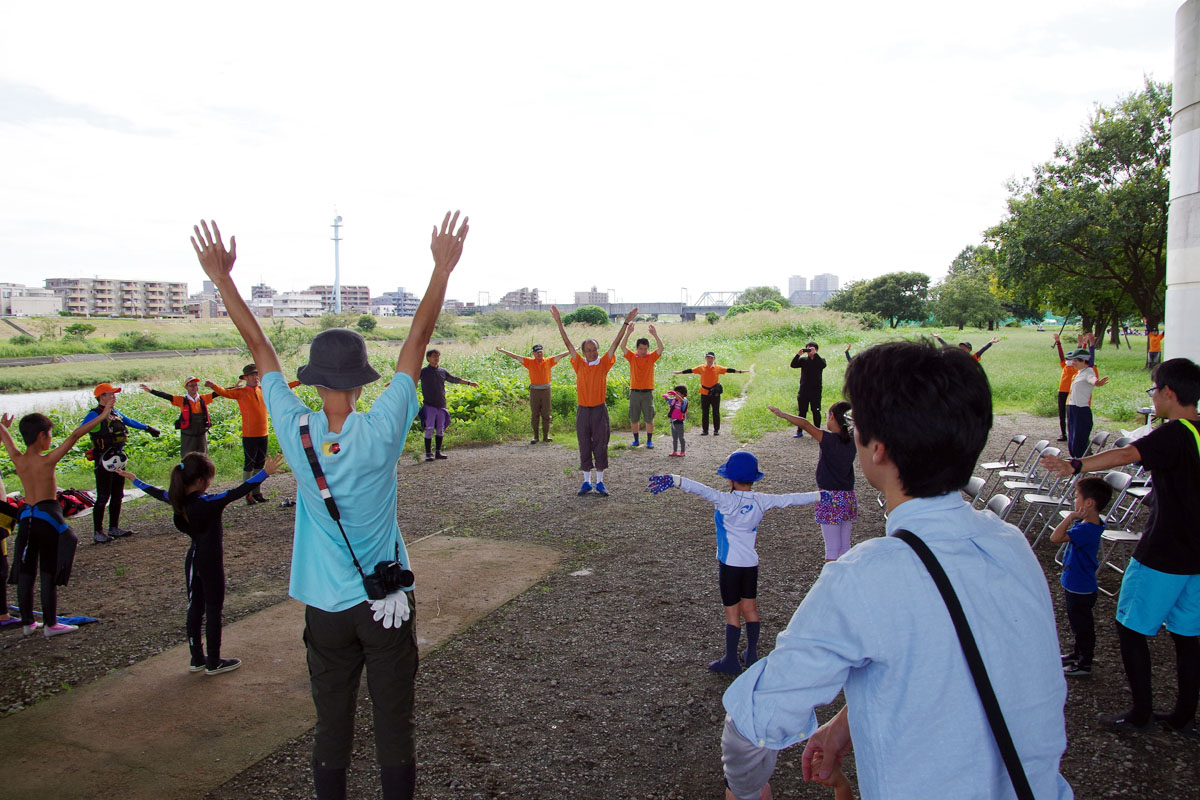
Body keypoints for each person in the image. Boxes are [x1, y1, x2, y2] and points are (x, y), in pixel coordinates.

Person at [191, 210, 468, 800]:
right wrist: (441, 268)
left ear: (313, 382)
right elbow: (415, 344)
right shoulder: (384, 428)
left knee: (331, 722)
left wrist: (223, 281)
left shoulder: (295, 430)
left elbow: (259, 347)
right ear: (363, 383)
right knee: (395, 721)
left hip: (325, 608)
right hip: (386, 601)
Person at [721, 340, 1070, 800]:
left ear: (878, 449)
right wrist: (848, 722)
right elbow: (965, 655)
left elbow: (749, 729)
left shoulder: (866, 575)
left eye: (856, 424)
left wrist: (746, 790)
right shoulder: (1008, 544)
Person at [1043, 357, 1200, 736]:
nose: (1154, 397)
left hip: (1162, 553)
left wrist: (1076, 465)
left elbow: (1127, 455)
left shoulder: (1174, 432)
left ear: (1169, 393)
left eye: (1155, 390)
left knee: (1130, 628)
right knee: (1188, 637)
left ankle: (1140, 713)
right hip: (1196, 556)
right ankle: (1183, 716)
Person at [649, 451, 820, 674]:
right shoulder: (762, 501)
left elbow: (699, 488)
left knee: (732, 613)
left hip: (729, 566)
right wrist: (822, 495)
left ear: (730, 479)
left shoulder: (725, 500)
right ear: (754, 478)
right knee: (750, 608)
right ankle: (751, 653)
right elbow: (792, 498)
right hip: (750, 565)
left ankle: (730, 660)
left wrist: (674, 479)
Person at [118, 452, 284, 675]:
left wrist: (135, 479)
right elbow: (238, 492)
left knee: (195, 608)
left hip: (193, 559)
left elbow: (155, 492)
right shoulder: (208, 502)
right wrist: (265, 472)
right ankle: (214, 661)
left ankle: (197, 658)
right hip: (210, 562)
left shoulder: (176, 498)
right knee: (214, 609)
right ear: (201, 481)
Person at [0, 404, 114, 637]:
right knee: (48, 571)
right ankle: (51, 624)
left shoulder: (19, 460)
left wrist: (3, 426)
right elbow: (75, 434)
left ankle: (28, 623)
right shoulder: (47, 460)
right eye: (49, 434)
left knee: (26, 572)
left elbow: (6, 439)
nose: (50, 439)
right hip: (47, 518)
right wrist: (103, 415)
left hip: (27, 518)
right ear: (42, 436)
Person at [550, 304, 638, 497]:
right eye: (588, 350)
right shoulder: (579, 364)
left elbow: (615, 343)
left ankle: (600, 483)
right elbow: (568, 344)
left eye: (594, 349)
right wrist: (558, 321)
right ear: (583, 352)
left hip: (599, 410)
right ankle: (586, 482)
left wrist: (625, 322)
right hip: (583, 410)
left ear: (598, 350)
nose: (591, 352)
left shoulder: (604, 363)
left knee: (600, 444)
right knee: (584, 444)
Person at [767, 402, 858, 561]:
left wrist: (783, 414)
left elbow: (805, 424)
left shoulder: (828, 439)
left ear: (831, 417)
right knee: (845, 546)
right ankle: (847, 581)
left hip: (829, 498)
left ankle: (831, 583)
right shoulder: (853, 438)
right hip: (848, 498)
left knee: (831, 549)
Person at [205, 365, 301, 504]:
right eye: (252, 375)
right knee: (249, 465)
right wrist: (213, 386)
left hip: (263, 433)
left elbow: (283, 388)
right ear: (245, 378)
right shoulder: (241, 392)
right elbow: (225, 392)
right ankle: (247, 494)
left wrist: (299, 382)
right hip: (249, 435)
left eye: (257, 375)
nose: (255, 377)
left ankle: (257, 492)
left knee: (259, 465)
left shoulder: (264, 390)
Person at [1049, 476, 1111, 679]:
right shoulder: (1091, 524)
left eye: (1077, 497)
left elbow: (1055, 537)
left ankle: (1085, 662)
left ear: (1089, 503)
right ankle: (1078, 654)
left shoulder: (1086, 529)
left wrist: (1069, 518)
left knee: (1083, 627)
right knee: (1078, 625)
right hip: (1078, 584)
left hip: (1080, 587)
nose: (1074, 500)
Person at [83, 383, 161, 544]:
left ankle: (114, 528)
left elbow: (129, 421)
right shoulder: (93, 415)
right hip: (102, 460)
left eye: (114, 394)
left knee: (118, 494)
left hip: (117, 458)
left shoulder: (115, 413)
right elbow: (81, 430)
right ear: (101, 397)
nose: (114, 396)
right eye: (110, 394)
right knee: (103, 496)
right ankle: (98, 532)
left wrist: (148, 428)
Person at [495, 344, 568, 444]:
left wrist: (573, 350)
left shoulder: (549, 361)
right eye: (537, 352)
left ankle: (546, 436)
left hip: (546, 390)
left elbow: (561, 355)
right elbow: (515, 356)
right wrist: (503, 351)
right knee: (535, 414)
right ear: (533, 354)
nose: (539, 354)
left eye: (541, 352)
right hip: (534, 390)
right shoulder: (529, 362)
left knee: (546, 414)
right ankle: (536, 437)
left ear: (543, 352)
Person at [418, 350, 479, 462]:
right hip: (429, 405)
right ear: (428, 358)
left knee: (440, 430)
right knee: (429, 429)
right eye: (434, 356)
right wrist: (395, 383)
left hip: (441, 405)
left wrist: (470, 383)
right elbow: (410, 379)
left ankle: (438, 452)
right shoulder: (423, 372)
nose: (436, 358)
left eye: (438, 356)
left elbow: (454, 379)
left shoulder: (442, 371)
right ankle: (428, 453)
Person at [141, 377, 219, 457]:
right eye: (191, 385)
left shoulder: (203, 398)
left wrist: (232, 389)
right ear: (186, 387)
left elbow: (219, 393)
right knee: (187, 455)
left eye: (195, 385)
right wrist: (151, 391)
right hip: (188, 433)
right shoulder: (181, 400)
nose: (194, 387)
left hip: (201, 432)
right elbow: (166, 396)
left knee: (203, 454)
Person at [673, 352, 746, 436]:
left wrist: (740, 371)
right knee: (705, 412)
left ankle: (716, 430)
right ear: (705, 359)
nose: (709, 359)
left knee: (716, 411)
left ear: (714, 359)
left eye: (711, 358)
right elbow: (691, 370)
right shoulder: (701, 368)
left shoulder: (717, 368)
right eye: (708, 358)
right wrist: (680, 372)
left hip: (715, 393)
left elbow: (728, 370)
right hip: (704, 392)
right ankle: (705, 430)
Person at [621, 323, 663, 448]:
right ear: (637, 349)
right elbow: (622, 346)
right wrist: (628, 332)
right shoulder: (632, 357)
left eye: (645, 349)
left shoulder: (651, 358)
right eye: (640, 349)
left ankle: (649, 441)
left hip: (647, 392)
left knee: (649, 418)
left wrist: (655, 334)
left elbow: (661, 348)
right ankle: (636, 440)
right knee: (634, 417)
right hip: (634, 392)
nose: (643, 351)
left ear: (648, 349)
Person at [1064, 346, 1109, 458]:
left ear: (1083, 361)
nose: (1073, 362)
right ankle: (1074, 460)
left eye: (1075, 360)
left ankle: (1080, 461)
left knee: (1079, 439)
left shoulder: (1088, 372)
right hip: (1072, 407)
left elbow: (1092, 379)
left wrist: (1097, 383)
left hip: (1081, 409)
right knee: (1072, 437)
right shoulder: (1079, 372)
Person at [1053, 332, 1097, 443]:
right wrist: (1058, 342)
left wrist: (1085, 345)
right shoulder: (1065, 365)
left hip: (1074, 396)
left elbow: (1086, 359)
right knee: (1063, 415)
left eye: (1073, 359)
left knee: (1077, 422)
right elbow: (1062, 356)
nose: (1071, 361)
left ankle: (1082, 442)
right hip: (1063, 392)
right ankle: (1064, 434)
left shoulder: (1080, 369)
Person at [789, 342, 826, 438]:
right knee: (802, 412)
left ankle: (817, 431)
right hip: (804, 390)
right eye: (808, 349)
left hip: (816, 391)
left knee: (816, 411)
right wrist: (798, 355)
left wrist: (815, 355)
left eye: (812, 349)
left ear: (816, 350)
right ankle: (799, 431)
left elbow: (822, 365)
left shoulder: (820, 360)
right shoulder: (803, 360)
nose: (809, 351)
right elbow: (793, 365)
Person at [934, 334, 1000, 361]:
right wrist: (938, 337)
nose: (962, 349)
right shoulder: (956, 356)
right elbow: (947, 346)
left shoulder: (972, 358)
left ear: (969, 350)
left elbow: (982, 349)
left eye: (964, 347)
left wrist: (990, 342)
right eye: (961, 347)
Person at [664, 385, 689, 457]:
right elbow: (669, 401)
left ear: (683, 394)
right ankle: (674, 451)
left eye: (678, 393)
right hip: (673, 421)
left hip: (680, 422)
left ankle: (682, 451)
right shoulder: (674, 400)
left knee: (681, 437)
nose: (676, 395)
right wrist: (666, 398)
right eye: (675, 393)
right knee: (674, 438)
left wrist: (676, 395)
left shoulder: (684, 401)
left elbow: (682, 400)